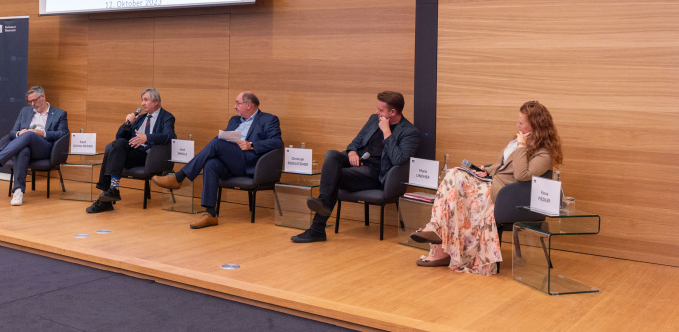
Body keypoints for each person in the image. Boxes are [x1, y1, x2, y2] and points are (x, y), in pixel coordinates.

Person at [410, 100, 563, 275]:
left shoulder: (545, 153)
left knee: (458, 187)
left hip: (508, 197)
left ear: (535, 125)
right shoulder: (516, 141)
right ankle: (438, 234)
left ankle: (439, 236)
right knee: (454, 174)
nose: (517, 125)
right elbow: (502, 166)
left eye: (521, 123)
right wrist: (485, 170)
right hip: (492, 183)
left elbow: (522, 175)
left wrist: (521, 146)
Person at [291, 91, 419, 243]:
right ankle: (323, 203)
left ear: (392, 112)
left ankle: (317, 228)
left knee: (333, 177)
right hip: (358, 162)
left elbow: (399, 159)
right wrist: (352, 152)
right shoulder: (373, 119)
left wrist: (386, 131)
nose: (376, 112)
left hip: (375, 173)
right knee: (331, 155)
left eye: (381, 110)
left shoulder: (410, 132)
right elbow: (355, 142)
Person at [151, 91, 283, 229]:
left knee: (216, 143)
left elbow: (276, 141)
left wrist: (252, 145)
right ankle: (211, 214)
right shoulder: (234, 120)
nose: (234, 106)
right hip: (231, 160)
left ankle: (179, 177)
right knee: (211, 164)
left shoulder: (268, 119)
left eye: (237, 103)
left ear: (249, 105)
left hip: (250, 163)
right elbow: (224, 140)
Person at [87, 87, 176, 213]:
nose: (142, 103)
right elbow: (119, 138)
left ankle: (107, 196)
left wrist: (147, 138)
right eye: (142, 100)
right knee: (116, 145)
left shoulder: (167, 117)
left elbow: (169, 136)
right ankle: (111, 190)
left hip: (149, 156)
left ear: (156, 101)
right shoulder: (140, 118)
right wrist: (127, 123)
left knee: (111, 152)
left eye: (145, 100)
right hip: (132, 152)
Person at [0, 86, 69, 206]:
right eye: (30, 101)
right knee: (23, 150)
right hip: (25, 146)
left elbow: (62, 133)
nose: (32, 104)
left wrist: (41, 133)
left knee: (30, 134)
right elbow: (12, 133)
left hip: (46, 149)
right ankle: (18, 192)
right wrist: (20, 133)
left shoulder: (59, 114)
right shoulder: (25, 112)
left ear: (43, 96)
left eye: (35, 100)